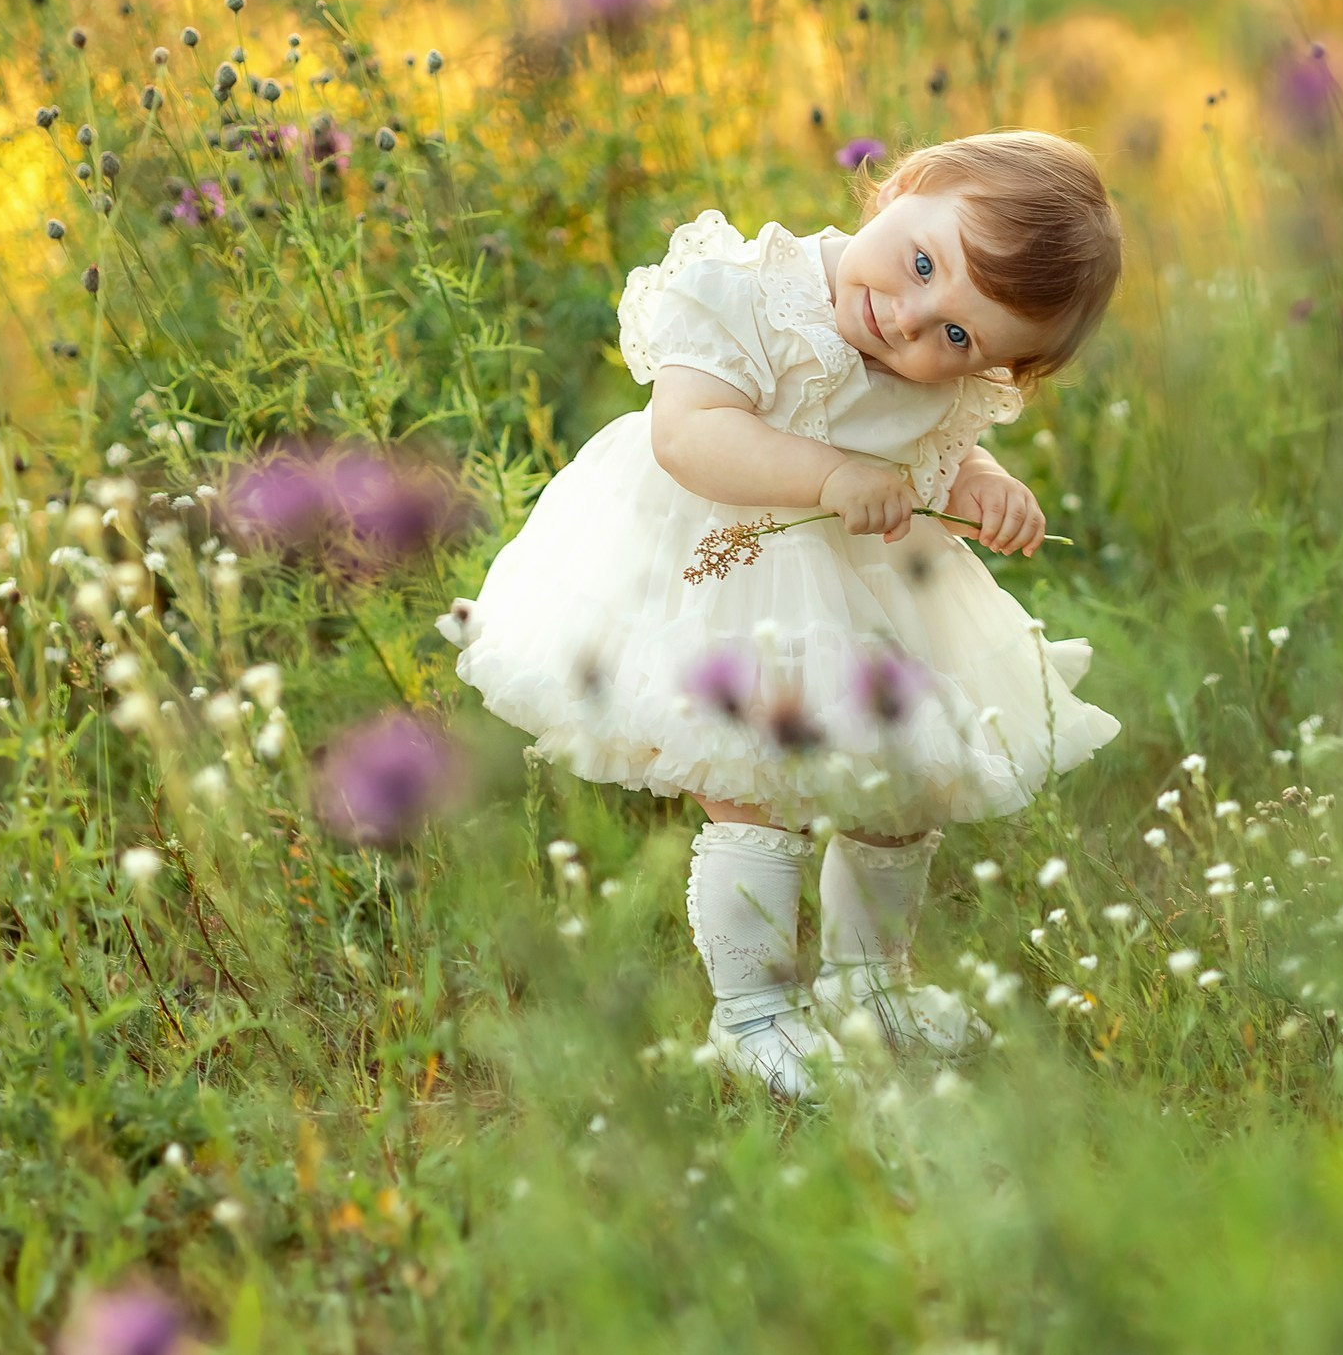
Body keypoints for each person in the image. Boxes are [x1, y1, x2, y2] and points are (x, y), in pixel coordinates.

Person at [445, 131, 1123, 1100]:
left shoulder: (939, 372)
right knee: (753, 790)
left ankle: (871, 985)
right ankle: (754, 1013)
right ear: (905, 185)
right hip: (725, 578)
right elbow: (689, 434)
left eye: (959, 338)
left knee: (901, 785)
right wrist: (832, 475)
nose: (910, 319)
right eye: (922, 263)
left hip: (870, 589)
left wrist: (981, 482)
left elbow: (939, 444)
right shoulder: (748, 287)